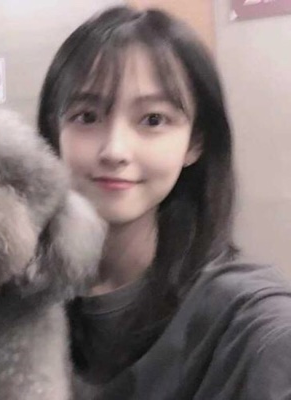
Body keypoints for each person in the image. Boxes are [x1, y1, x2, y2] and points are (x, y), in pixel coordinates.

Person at [37, 6, 291, 400]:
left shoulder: (245, 322)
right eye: (87, 116)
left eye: (153, 120)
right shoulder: (14, 300)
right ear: (54, 133)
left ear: (195, 142)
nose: (115, 150)